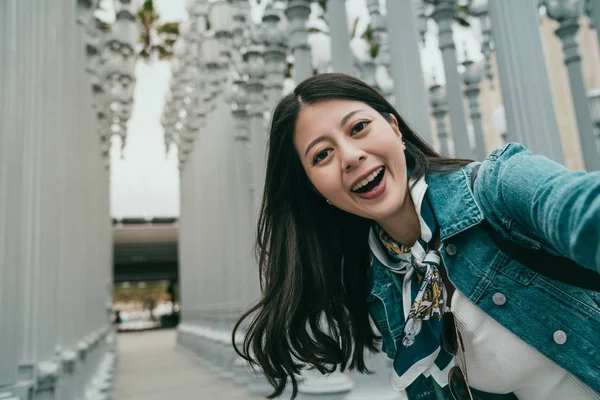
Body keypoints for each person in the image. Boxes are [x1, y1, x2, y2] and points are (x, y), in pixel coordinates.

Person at [232, 73, 600, 400]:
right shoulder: (386, 286)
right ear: (315, 189)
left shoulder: (498, 187)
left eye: (358, 128)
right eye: (322, 154)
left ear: (394, 128)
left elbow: (582, 210)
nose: (350, 155)